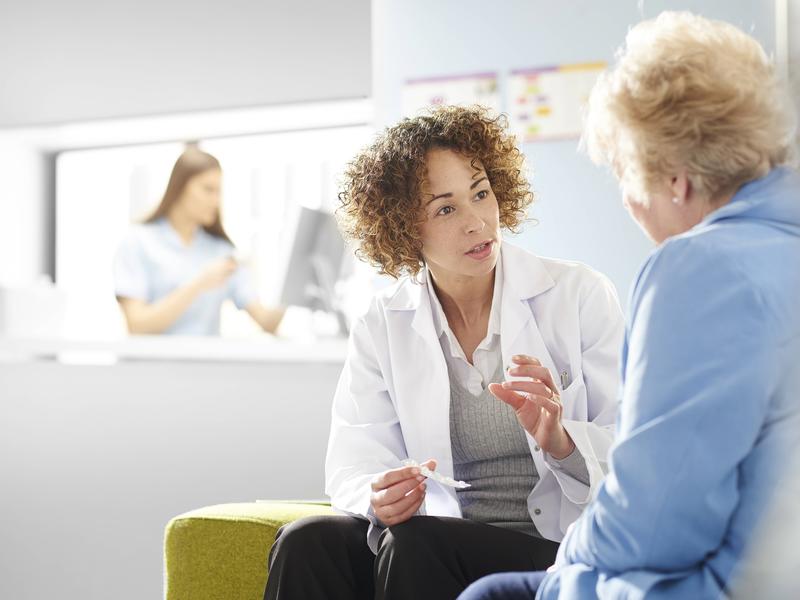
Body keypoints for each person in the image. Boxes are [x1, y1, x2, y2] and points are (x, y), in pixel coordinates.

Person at [460, 11, 800, 600]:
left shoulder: (700, 269)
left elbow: (657, 515)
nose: (626, 201)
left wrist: (569, 560)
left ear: (674, 178)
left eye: (623, 172)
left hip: (719, 582)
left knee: (491, 594)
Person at [263, 106, 625, 600]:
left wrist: (561, 439)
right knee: (307, 541)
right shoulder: (383, 322)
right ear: (403, 228)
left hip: (551, 547)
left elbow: (631, 452)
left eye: (481, 193)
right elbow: (354, 459)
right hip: (427, 542)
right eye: (446, 208)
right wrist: (380, 494)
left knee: (418, 543)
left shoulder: (579, 294)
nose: (478, 222)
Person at [113, 146, 284, 335]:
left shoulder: (221, 251)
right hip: (152, 364)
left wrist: (294, 282)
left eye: (218, 192)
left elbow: (267, 322)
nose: (216, 201)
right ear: (179, 188)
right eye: (208, 190)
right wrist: (200, 283)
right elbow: (137, 325)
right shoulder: (138, 242)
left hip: (203, 364)